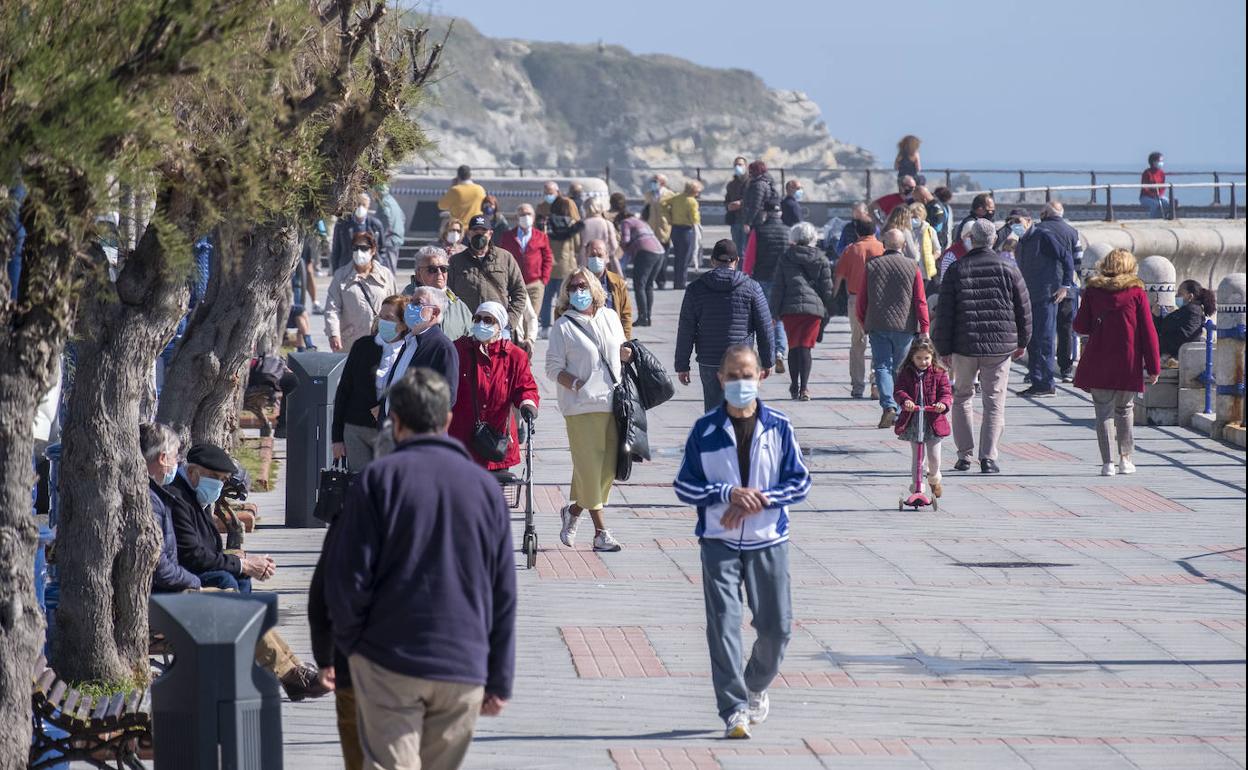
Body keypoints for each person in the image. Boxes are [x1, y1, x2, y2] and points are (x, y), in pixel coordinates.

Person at [324, 368, 516, 770]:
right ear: (447, 420)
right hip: (462, 663)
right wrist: (499, 676)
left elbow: (346, 577)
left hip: (388, 659)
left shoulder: (379, 480)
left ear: (395, 423)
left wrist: (353, 644)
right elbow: (503, 592)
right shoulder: (486, 490)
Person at [672, 344, 810, 739]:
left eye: (747, 375)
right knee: (724, 625)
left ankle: (754, 684)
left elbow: (800, 482)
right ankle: (733, 708)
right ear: (720, 379)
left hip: (768, 539)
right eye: (732, 376)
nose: (740, 382)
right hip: (719, 541)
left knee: (777, 627)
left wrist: (761, 499)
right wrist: (726, 493)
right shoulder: (705, 429)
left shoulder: (779, 426)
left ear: (761, 376)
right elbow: (684, 483)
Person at [142, 426, 327, 702]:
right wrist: (197, 582)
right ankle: (290, 674)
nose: (177, 461)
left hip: (169, 591)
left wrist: (236, 562)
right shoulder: (156, 498)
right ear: (161, 458)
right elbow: (166, 565)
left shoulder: (161, 494)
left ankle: (293, 671)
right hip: (162, 598)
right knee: (233, 602)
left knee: (237, 598)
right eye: (174, 455)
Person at [932, 219, 1032, 474]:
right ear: (994, 240)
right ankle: (988, 457)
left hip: (964, 345)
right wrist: (1023, 341)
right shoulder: (1008, 268)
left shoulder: (956, 269)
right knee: (994, 401)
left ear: (971, 239)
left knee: (962, 397)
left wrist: (942, 348)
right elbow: (1024, 308)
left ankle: (964, 455)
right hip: (999, 347)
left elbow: (945, 313)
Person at [545, 268, 631, 553]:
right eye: (572, 287)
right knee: (589, 467)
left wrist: (627, 355)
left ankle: (574, 511)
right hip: (580, 406)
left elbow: (620, 350)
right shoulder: (563, 326)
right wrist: (576, 383)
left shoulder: (609, 317)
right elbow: (553, 367)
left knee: (606, 470)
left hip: (613, 403)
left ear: (594, 288)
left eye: (582, 285)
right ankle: (601, 533)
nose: (578, 291)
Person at [1073, 249, 1161, 476]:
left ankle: (1107, 463)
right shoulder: (1136, 293)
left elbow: (1080, 327)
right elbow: (1148, 332)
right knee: (1124, 410)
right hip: (1128, 361)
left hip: (1099, 358)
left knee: (1103, 413)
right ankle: (1125, 459)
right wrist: (1153, 367)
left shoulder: (1093, 291)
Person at [675, 240, 776, 412]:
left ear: (713, 261)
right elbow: (764, 326)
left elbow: (686, 329)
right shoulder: (751, 287)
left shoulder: (696, 288)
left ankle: (717, 438)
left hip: (709, 359)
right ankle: (739, 438)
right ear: (736, 260)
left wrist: (682, 365)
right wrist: (768, 361)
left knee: (714, 412)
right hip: (741, 359)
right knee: (741, 410)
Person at [449, 301, 540, 471]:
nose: (481, 324)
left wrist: (527, 403)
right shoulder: (458, 349)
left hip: (497, 441)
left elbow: (526, 387)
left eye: (488, 320)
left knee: (496, 494)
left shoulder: (515, 356)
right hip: (461, 437)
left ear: (500, 326)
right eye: (478, 319)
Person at [856, 229, 930, 427]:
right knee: (899, 368)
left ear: (884, 245)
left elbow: (862, 300)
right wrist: (924, 327)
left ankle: (888, 405)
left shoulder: (872, 266)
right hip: (904, 326)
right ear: (903, 245)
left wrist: (863, 322)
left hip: (878, 324)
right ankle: (897, 408)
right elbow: (920, 300)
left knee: (881, 366)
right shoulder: (912, 266)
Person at [331, 295, 408, 470]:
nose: (383, 322)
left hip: (391, 432)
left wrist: (386, 406)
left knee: (387, 487)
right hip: (356, 430)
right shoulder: (362, 346)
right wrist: (337, 439)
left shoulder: (409, 351)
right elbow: (344, 390)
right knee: (362, 487)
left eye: (389, 318)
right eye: (381, 317)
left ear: (403, 324)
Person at [770, 223, 835, 401]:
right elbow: (827, 288)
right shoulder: (821, 258)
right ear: (813, 237)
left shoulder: (786, 257)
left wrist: (773, 312)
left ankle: (794, 385)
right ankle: (805, 388)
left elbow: (778, 287)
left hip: (790, 310)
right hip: (813, 311)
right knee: (806, 347)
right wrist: (829, 307)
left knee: (794, 347)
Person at [1015, 207, 1075, 397]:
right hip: (1029, 296)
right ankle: (1036, 380)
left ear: (1028, 220)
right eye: (1010, 222)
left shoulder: (1044, 236)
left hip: (1046, 296)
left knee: (1045, 340)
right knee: (1031, 340)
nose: (1015, 226)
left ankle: (1047, 383)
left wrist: (1065, 285)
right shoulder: (1022, 241)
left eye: (1017, 221)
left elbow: (1066, 258)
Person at [448, 215, 528, 334]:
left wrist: (509, 322)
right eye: (475, 231)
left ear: (490, 234)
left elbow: (520, 292)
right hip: (466, 329)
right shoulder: (456, 261)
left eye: (483, 231)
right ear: (469, 234)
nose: (479, 235)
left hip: (498, 328)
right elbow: (448, 294)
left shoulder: (505, 258)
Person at [892, 339, 952, 498]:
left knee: (934, 457)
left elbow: (946, 393)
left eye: (926, 358)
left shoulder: (939, 372)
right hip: (914, 419)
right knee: (917, 458)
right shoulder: (906, 372)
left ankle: (934, 478)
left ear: (932, 357)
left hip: (933, 421)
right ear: (912, 357)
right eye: (918, 358)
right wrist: (906, 400)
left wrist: (942, 404)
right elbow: (899, 390)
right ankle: (917, 488)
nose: (922, 362)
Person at [325, 231, 398, 353]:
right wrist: (333, 334)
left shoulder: (385, 275)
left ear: (373, 250)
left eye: (364, 248)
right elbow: (332, 308)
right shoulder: (341, 276)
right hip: (350, 342)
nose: (359, 252)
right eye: (356, 248)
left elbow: (396, 306)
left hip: (381, 340)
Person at [834, 219, 884, 398]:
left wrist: (832, 298)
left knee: (857, 343)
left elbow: (838, 276)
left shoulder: (851, 249)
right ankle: (876, 383)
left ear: (857, 232)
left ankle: (857, 386)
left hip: (856, 299)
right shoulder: (882, 248)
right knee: (878, 342)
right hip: (878, 299)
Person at [495, 203, 552, 328]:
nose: (525, 217)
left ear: (533, 216)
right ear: (517, 217)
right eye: (522, 214)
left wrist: (544, 280)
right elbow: (502, 257)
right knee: (517, 318)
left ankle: (528, 344)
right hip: (514, 284)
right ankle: (519, 344)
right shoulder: (508, 236)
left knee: (532, 318)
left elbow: (548, 258)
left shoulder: (541, 236)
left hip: (535, 284)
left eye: (528, 214)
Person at [750, 204, 791, 375]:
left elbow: (750, 255)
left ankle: (764, 353)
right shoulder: (788, 231)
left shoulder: (758, 231)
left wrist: (746, 275)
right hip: (781, 280)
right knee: (778, 317)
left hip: (761, 277)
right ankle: (779, 351)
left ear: (765, 213)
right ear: (780, 213)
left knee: (761, 317)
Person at [538, 181, 582, 338]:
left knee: (547, 297)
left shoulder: (547, 222)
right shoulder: (571, 224)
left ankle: (545, 326)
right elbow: (577, 244)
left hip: (550, 264)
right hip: (565, 264)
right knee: (564, 298)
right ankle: (565, 325)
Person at [404, 246, 472, 341]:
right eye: (432, 269)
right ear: (418, 274)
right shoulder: (404, 303)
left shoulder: (459, 306)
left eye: (443, 269)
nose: (439, 273)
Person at [618, 205, 664, 327]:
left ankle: (642, 317)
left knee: (639, 285)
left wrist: (618, 245)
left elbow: (626, 240)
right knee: (648, 285)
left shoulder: (625, 222)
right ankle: (648, 316)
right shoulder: (641, 222)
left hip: (646, 252)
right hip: (659, 252)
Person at [1156, 279, 1217, 360]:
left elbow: (1169, 327)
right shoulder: (1193, 310)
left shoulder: (1191, 311)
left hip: (1178, 354)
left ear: (1190, 296)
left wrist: (1157, 317)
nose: (1176, 296)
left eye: (1180, 294)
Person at [585, 238, 633, 339]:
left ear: (607, 257)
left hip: (612, 336)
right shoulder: (576, 281)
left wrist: (626, 340)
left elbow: (626, 315)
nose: (596, 259)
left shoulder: (617, 282)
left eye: (600, 255)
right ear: (586, 256)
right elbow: (562, 310)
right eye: (592, 256)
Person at [331, 192, 386, 272]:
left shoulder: (375, 225)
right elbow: (336, 249)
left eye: (363, 204)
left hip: (370, 268)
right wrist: (336, 271)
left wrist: (379, 264)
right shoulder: (342, 224)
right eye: (358, 204)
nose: (360, 207)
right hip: (347, 267)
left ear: (368, 206)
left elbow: (382, 249)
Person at [664, 180, 702, 289]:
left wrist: (669, 215)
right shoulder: (692, 201)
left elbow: (664, 203)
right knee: (685, 258)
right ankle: (681, 283)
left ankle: (677, 281)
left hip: (675, 229)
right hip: (686, 230)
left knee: (678, 257)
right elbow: (695, 218)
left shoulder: (676, 198)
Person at [643, 174, 675, 288]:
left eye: (655, 181)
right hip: (651, 230)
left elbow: (673, 212)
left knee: (663, 258)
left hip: (664, 231)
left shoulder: (670, 195)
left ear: (662, 183)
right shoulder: (648, 195)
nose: (653, 183)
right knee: (651, 257)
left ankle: (661, 281)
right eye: (652, 180)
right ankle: (651, 280)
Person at [578, 196, 622, 274]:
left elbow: (577, 245)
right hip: (603, 261)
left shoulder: (581, 224)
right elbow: (614, 246)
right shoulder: (607, 224)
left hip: (584, 261)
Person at [372, 182, 405, 273]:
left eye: (374, 192)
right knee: (391, 267)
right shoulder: (392, 200)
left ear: (378, 192)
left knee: (388, 270)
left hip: (389, 239)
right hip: (397, 237)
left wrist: (384, 234)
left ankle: (389, 287)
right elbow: (403, 217)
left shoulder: (383, 202)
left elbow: (387, 216)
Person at [742, 161, 779, 233]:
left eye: (751, 170)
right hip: (763, 219)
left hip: (758, 221)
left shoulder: (758, 185)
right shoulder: (765, 182)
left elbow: (755, 205)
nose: (749, 173)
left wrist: (748, 222)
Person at [909, 202, 941, 284]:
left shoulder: (930, 230)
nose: (913, 219)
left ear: (922, 216)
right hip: (909, 270)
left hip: (925, 272)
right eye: (911, 217)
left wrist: (930, 259)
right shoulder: (906, 230)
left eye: (915, 217)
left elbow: (937, 250)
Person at [725, 155, 750, 255]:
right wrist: (729, 206)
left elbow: (755, 200)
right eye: (735, 165)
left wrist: (741, 204)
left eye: (740, 164)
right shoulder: (731, 184)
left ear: (746, 166)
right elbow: (726, 200)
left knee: (746, 250)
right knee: (736, 250)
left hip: (747, 221)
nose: (737, 167)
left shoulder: (751, 182)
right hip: (735, 220)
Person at [1139, 151, 1169, 219]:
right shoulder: (1147, 173)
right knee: (1155, 204)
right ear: (1153, 162)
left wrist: (1160, 195)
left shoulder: (1161, 173)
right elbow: (1145, 187)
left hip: (1158, 196)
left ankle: (1165, 217)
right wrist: (1153, 195)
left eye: (1162, 161)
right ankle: (1152, 219)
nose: (1161, 163)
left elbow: (1162, 186)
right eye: (1159, 161)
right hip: (1146, 197)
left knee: (1167, 202)